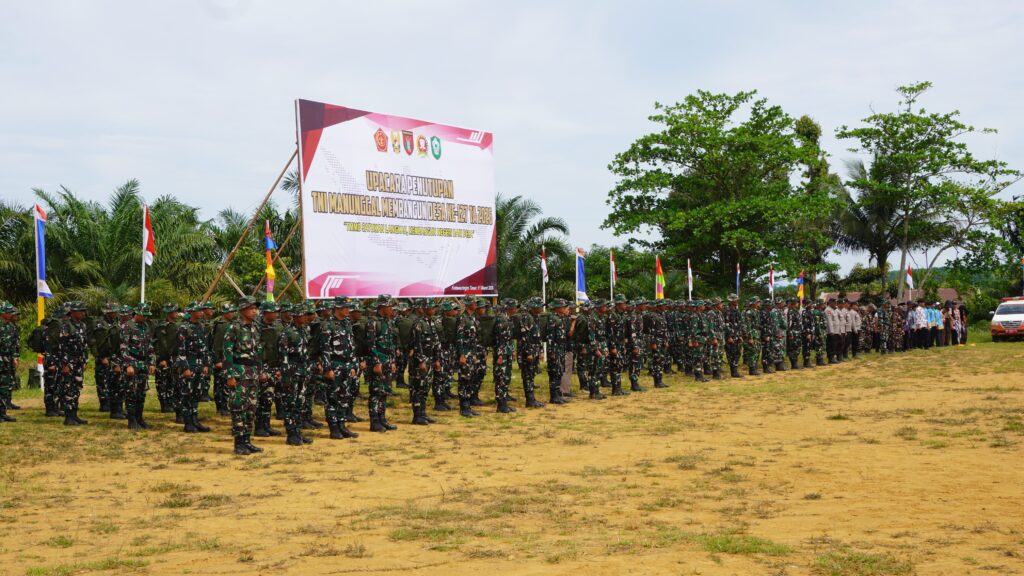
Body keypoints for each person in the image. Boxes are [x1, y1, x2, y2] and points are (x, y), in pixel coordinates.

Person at [223, 297, 265, 455]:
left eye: (255, 308)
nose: (254, 311)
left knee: (251, 408)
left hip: (252, 372)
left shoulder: (255, 327)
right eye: (251, 308)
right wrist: (230, 375)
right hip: (239, 371)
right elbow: (227, 352)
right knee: (238, 406)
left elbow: (258, 352)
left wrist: (260, 371)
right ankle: (239, 443)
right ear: (242, 310)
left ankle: (247, 440)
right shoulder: (234, 327)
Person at [175, 303, 211, 433]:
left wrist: (206, 364)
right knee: (187, 394)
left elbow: (204, 347)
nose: (201, 312)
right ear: (191, 312)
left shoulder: (200, 327)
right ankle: (188, 422)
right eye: (198, 310)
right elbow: (180, 349)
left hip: (199, 365)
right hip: (189, 365)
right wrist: (185, 368)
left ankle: (194, 420)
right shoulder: (183, 328)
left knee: (196, 394)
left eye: (201, 310)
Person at [365, 295, 398, 431]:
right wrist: (376, 362)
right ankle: (374, 422)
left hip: (387, 362)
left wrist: (392, 361)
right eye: (390, 306)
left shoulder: (388, 322)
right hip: (377, 362)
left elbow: (391, 343)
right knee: (376, 392)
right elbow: (370, 344)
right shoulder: (373, 322)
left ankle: (382, 419)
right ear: (382, 307)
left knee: (384, 391)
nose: (392, 309)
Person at [119, 304, 154, 430]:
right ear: (137, 314)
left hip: (143, 364)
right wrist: (128, 365)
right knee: (131, 392)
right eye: (144, 315)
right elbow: (123, 347)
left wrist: (152, 362)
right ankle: (131, 420)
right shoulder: (127, 326)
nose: (145, 317)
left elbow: (150, 346)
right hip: (132, 364)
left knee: (141, 393)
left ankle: (139, 418)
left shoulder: (146, 326)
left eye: (147, 316)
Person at [515, 297, 546, 407]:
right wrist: (528, 353)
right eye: (540, 306)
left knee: (531, 375)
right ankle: (530, 400)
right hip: (527, 351)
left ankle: (532, 398)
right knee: (527, 375)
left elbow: (538, 336)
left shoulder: (536, 317)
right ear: (534, 307)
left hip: (534, 350)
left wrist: (541, 350)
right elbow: (525, 336)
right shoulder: (526, 317)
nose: (542, 308)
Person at [545, 298, 575, 404]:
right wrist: (551, 352)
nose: (567, 309)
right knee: (554, 373)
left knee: (559, 373)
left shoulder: (561, 319)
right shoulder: (553, 319)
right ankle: (554, 397)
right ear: (558, 308)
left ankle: (558, 395)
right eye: (565, 307)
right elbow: (550, 337)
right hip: (555, 351)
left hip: (561, 350)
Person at [491, 299, 518, 412]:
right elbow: (499, 339)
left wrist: (512, 350)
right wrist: (500, 355)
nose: (516, 309)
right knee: (501, 378)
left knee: (506, 377)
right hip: (501, 354)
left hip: (507, 352)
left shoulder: (507, 318)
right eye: (514, 307)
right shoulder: (501, 319)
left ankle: (504, 402)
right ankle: (501, 405)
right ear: (509, 308)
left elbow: (509, 338)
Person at [0, 302, 19, 423]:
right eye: (9, 312)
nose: (11, 314)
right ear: (2, 313)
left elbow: (14, 345)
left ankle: (3, 413)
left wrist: (15, 357)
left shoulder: (11, 327)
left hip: (7, 361)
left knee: (5, 387)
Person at [724, 295, 744, 378]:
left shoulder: (737, 311)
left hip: (736, 335)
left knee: (737, 353)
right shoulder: (727, 311)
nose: (737, 301)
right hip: (731, 336)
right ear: (731, 301)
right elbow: (726, 324)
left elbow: (739, 324)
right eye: (736, 300)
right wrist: (728, 337)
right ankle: (733, 371)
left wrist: (740, 335)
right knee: (731, 353)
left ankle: (735, 369)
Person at [743, 297, 762, 376]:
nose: (758, 303)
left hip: (757, 334)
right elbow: (748, 325)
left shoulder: (757, 311)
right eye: (757, 302)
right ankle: (752, 369)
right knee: (752, 351)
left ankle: (755, 367)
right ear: (753, 303)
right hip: (752, 334)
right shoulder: (749, 312)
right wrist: (749, 337)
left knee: (757, 351)